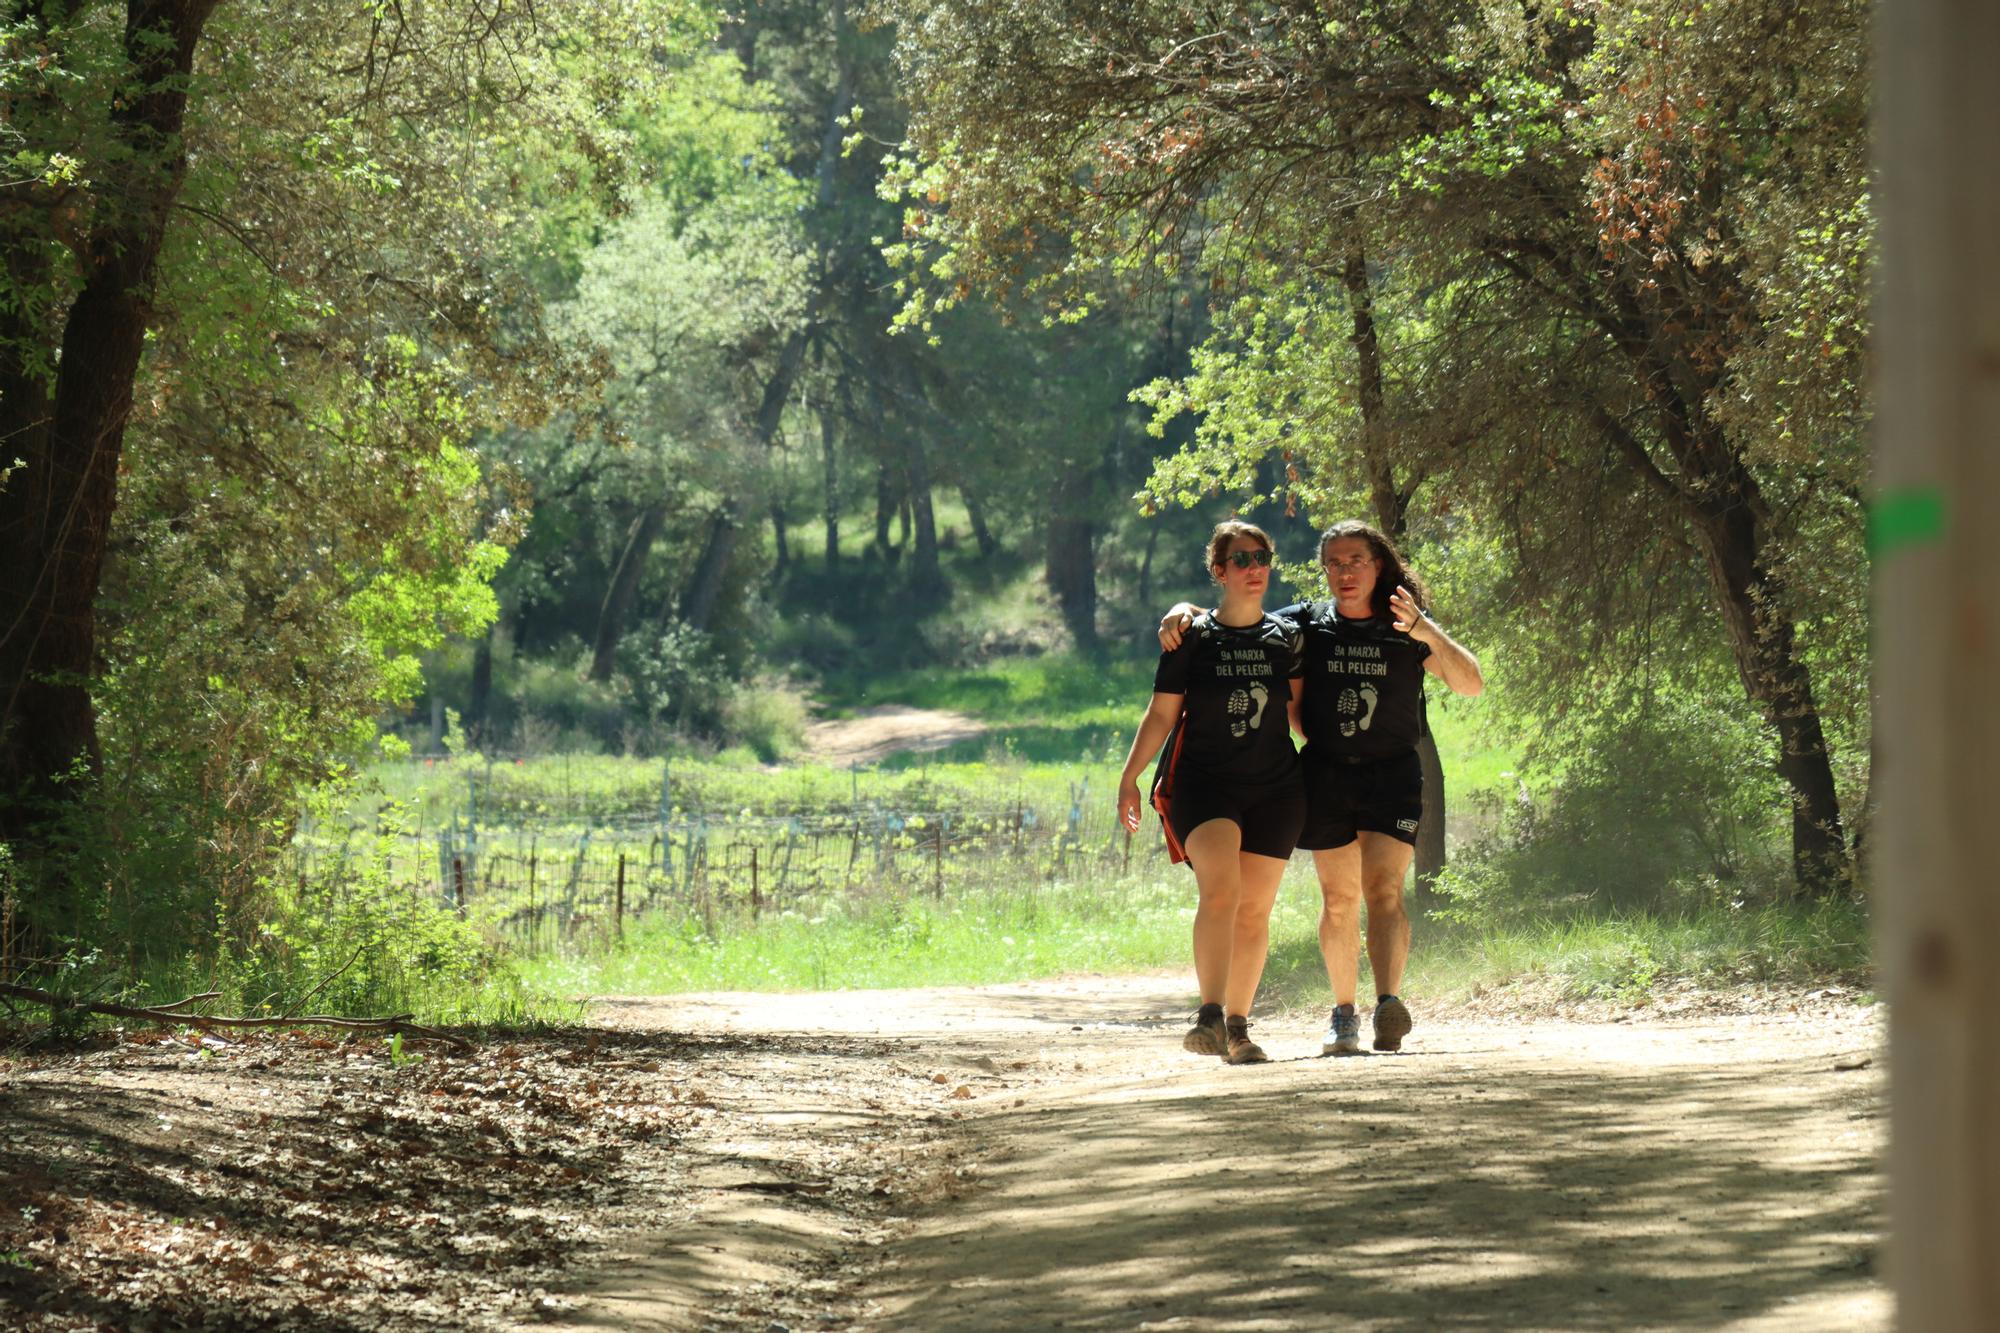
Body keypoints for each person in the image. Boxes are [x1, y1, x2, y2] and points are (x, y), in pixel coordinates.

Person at [1160, 519, 1483, 1055]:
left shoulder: (1407, 626)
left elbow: (1471, 683)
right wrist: (1185, 609)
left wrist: (1425, 629)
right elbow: (1239, 617)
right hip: (1327, 772)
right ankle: (1343, 1016)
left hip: (1394, 773)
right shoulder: (1307, 623)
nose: (1345, 572)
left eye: (1356, 560)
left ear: (1379, 564)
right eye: (1333, 563)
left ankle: (1387, 1004)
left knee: (1383, 890)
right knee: (1338, 900)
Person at [1118, 520, 1305, 1065]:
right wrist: (1129, 778)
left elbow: (1299, 716)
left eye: (1262, 557)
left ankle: (1239, 1030)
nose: (1255, 568)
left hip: (1276, 789)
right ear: (1219, 572)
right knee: (1222, 890)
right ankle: (1209, 1013)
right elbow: (1160, 714)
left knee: (1255, 911)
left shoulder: (1286, 638)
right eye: (1242, 559)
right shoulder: (1190, 638)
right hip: (1204, 785)